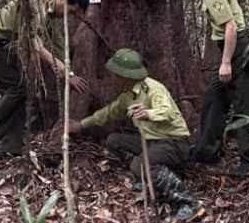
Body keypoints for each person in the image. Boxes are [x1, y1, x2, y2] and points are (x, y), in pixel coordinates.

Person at [152, 0, 249, 176]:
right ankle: (207, 151)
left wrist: (225, 63)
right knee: (215, 98)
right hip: (231, 45)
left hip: (236, 47)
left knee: (244, 103)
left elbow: (230, 26)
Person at [68, 48, 203, 221]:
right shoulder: (127, 96)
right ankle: (150, 177)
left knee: (139, 165)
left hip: (174, 142)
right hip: (151, 142)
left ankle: (189, 202)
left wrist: (148, 113)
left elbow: (166, 111)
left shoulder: (153, 88)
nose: (114, 79)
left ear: (126, 76)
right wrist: (80, 125)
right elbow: (108, 113)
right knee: (114, 141)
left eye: (116, 75)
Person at [0, 0, 89, 156]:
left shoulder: (50, 13)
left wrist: (68, 74)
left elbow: (57, 45)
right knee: (17, 89)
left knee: (24, 93)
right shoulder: (36, 3)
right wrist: (60, 68)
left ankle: (11, 147)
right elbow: (36, 45)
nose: (67, 15)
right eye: (70, 10)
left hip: (3, 47)